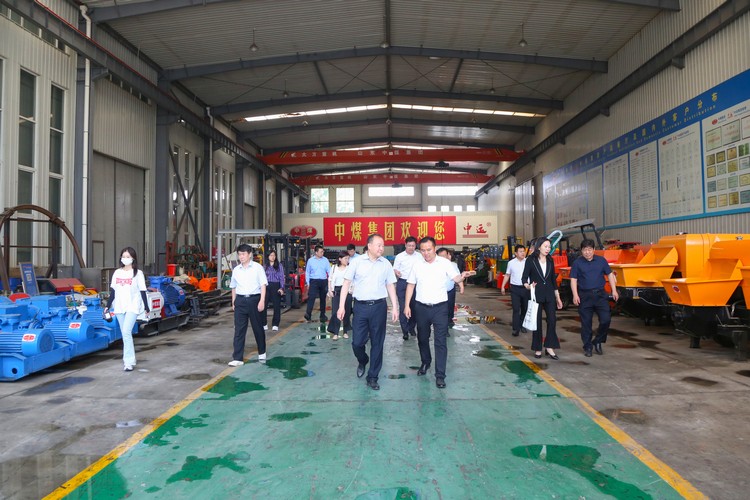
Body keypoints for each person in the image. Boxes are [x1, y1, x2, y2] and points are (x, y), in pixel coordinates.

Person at [405, 237, 473, 388]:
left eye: (429, 250)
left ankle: (440, 375)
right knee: (422, 338)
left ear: (434, 249)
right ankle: (425, 362)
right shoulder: (417, 265)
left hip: (440, 308)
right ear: (420, 250)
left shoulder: (445, 263)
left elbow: (455, 277)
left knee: (440, 342)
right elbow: (410, 285)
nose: (426, 253)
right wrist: (406, 306)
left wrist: (462, 277)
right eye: (423, 250)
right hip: (421, 307)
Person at [337, 233, 398, 391]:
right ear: (369, 246)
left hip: (379, 307)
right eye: (379, 245)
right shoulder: (356, 262)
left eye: (383, 245)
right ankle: (362, 360)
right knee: (357, 342)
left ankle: (373, 377)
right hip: (360, 307)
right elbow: (346, 283)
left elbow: (390, 285)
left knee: (378, 342)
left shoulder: (385, 264)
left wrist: (395, 307)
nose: (381, 248)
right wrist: (341, 306)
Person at [570, 239, 619, 357]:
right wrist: (575, 295)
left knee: (606, 319)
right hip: (584, 296)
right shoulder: (577, 263)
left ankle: (597, 341)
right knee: (586, 324)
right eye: (585, 250)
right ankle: (587, 347)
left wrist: (614, 290)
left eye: (589, 249)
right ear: (581, 251)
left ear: (593, 250)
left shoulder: (601, 261)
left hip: (600, 296)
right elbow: (573, 279)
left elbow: (610, 275)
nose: (587, 252)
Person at [105, 247, 150, 371]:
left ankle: (128, 362)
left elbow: (142, 291)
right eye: (123, 256)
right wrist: (107, 306)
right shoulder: (117, 273)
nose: (125, 259)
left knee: (126, 331)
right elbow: (113, 292)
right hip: (119, 306)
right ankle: (130, 360)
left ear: (133, 258)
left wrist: (146, 307)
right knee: (126, 334)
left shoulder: (138, 273)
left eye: (128, 256)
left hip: (133, 306)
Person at [521, 237, 563, 360]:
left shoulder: (550, 260)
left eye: (549, 247)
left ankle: (549, 347)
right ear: (539, 247)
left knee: (552, 320)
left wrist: (558, 297)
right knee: (537, 322)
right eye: (545, 246)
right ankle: (538, 348)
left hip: (549, 294)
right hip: (536, 295)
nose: (548, 249)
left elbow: (552, 281)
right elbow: (524, 278)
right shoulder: (530, 260)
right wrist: (528, 286)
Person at [229, 244, 267, 366]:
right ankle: (237, 358)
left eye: (243, 254)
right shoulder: (236, 270)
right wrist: (233, 301)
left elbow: (263, 285)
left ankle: (262, 352)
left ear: (250, 254)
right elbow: (233, 287)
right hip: (240, 301)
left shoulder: (257, 268)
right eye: (239, 254)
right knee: (239, 330)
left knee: (257, 328)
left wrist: (262, 301)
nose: (241, 257)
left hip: (254, 300)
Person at [392, 236, 423, 340]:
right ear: (405, 245)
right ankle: (405, 331)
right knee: (403, 307)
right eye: (409, 245)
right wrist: (396, 272)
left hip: (415, 284)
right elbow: (395, 268)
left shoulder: (419, 256)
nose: (411, 247)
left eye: (413, 245)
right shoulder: (399, 256)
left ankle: (411, 327)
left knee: (414, 308)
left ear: (416, 246)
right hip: (402, 283)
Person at [501, 244, 530, 337]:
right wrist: (502, 286)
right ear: (516, 253)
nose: (523, 253)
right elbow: (507, 275)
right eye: (521, 251)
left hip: (526, 289)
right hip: (515, 289)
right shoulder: (511, 263)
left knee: (525, 308)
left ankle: (522, 325)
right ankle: (515, 328)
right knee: (516, 309)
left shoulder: (528, 262)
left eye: (524, 251)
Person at [327, 250, 352, 340]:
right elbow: (330, 280)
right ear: (340, 259)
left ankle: (345, 331)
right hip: (337, 291)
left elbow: (353, 280)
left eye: (348, 258)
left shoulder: (350, 268)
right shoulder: (334, 268)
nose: (347, 260)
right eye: (345, 258)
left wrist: (352, 289)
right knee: (335, 312)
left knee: (346, 312)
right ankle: (336, 333)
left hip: (347, 292)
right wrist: (330, 290)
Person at [437, 247, 464, 331]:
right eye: (440, 256)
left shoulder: (453, 265)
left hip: (450, 290)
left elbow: (457, 277)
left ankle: (449, 321)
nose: (442, 258)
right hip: (439, 291)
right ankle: (444, 327)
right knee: (441, 310)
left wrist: (461, 287)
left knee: (450, 307)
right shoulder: (435, 266)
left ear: (448, 255)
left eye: (444, 256)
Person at [304, 245, 330, 322]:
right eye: (321, 251)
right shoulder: (310, 261)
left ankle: (322, 315)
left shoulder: (325, 260)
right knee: (311, 297)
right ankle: (308, 314)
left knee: (323, 298)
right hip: (313, 281)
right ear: (316, 252)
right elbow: (307, 272)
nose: (322, 253)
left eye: (323, 251)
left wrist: (330, 282)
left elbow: (329, 271)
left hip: (323, 281)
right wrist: (308, 283)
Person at [262, 249, 284, 332]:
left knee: (276, 306)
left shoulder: (279, 266)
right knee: (264, 305)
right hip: (266, 286)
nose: (273, 257)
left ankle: (275, 324)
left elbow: (282, 277)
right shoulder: (265, 266)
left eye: (274, 255)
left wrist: (281, 288)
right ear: (268, 256)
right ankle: (264, 323)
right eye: (271, 255)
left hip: (276, 286)